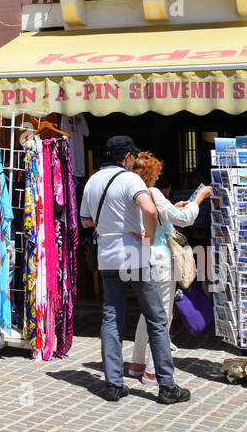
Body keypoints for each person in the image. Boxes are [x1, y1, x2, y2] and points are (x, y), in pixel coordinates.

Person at [80, 135, 191, 405]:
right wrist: (148, 240)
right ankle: (166, 386)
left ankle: (113, 385)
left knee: (111, 320)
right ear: (127, 157)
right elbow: (149, 209)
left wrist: (109, 230)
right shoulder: (130, 179)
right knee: (156, 318)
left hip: (107, 259)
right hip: (136, 257)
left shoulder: (92, 181)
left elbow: (85, 222)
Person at [125, 152, 211, 384]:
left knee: (147, 312)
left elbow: (160, 216)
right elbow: (183, 218)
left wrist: (171, 207)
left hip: (139, 259)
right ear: (151, 174)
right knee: (161, 315)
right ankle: (153, 370)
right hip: (159, 261)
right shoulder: (151, 192)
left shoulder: (128, 193)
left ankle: (136, 364)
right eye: (156, 173)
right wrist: (199, 198)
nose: (158, 177)